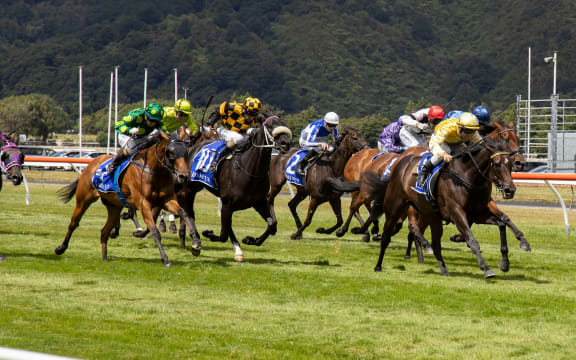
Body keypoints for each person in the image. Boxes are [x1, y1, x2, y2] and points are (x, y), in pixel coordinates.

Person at [415, 112, 482, 189]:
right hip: (442, 141)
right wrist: (444, 154)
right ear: (459, 128)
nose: (470, 135)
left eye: (472, 131)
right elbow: (433, 143)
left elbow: (482, 143)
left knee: (467, 152)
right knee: (446, 150)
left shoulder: (472, 130)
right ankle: (425, 170)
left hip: (457, 141)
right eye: (467, 131)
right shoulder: (448, 129)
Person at [107, 102, 166, 176]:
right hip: (126, 135)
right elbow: (117, 125)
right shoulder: (135, 115)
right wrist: (130, 130)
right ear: (146, 115)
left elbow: (165, 133)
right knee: (131, 149)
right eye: (151, 119)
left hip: (141, 137)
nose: (153, 123)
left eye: (155, 121)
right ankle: (113, 164)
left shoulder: (159, 121)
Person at [206, 96, 263, 173]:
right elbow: (217, 110)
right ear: (244, 109)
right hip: (225, 131)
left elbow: (258, 128)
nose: (251, 118)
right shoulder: (234, 107)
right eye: (250, 114)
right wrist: (210, 123)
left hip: (240, 133)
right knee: (238, 138)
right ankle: (216, 162)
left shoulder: (254, 117)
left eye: (254, 115)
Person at [377, 106, 445, 153]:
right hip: (385, 143)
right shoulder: (420, 115)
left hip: (412, 133)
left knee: (426, 150)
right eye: (434, 122)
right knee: (416, 148)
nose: (435, 125)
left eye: (438, 122)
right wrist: (418, 125)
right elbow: (402, 119)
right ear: (429, 118)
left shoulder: (432, 116)